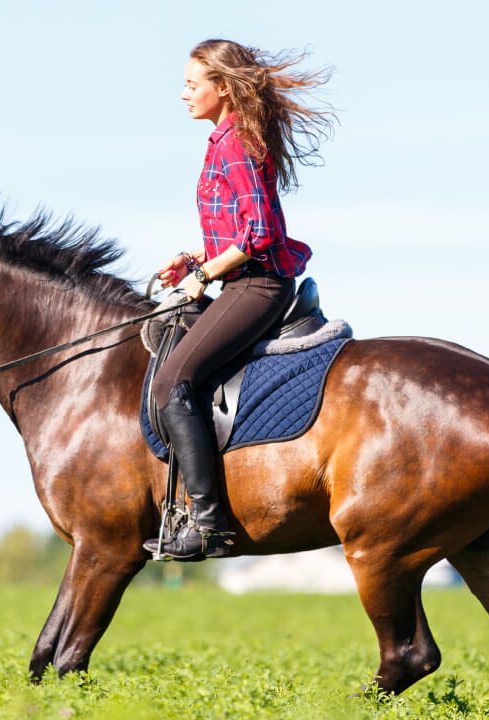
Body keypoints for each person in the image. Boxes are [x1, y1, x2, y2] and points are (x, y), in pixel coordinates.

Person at [144, 39, 335, 561]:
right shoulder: (222, 139)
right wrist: (191, 259)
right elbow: (234, 230)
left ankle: (207, 524)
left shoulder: (237, 144)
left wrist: (203, 275)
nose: (182, 93)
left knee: (171, 383)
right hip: (241, 281)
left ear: (222, 88)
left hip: (258, 287)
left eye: (191, 84)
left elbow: (259, 233)